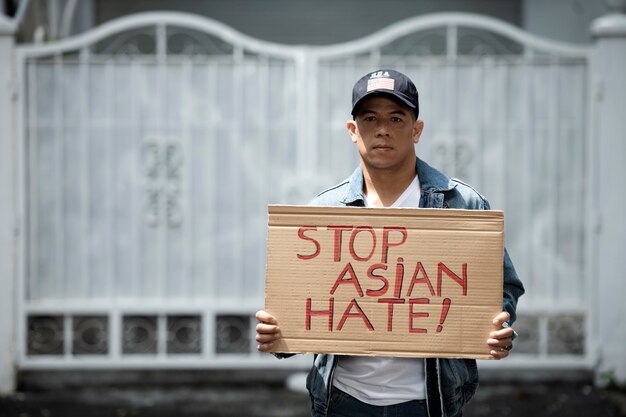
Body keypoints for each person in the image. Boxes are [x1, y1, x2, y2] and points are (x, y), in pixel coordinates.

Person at [256, 69, 525, 417]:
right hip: (342, 400)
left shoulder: (462, 205)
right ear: (353, 131)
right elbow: (301, 305)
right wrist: (278, 333)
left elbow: (503, 286)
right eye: (370, 118)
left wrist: (497, 327)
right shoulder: (323, 214)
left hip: (431, 401)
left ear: (416, 129)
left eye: (396, 118)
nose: (383, 129)